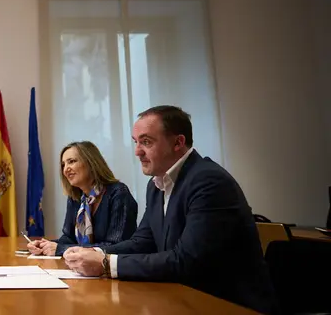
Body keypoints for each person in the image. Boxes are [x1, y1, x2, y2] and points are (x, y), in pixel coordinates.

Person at [63, 106, 276, 314]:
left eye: (146, 142)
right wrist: (95, 253)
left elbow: (187, 261)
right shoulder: (156, 185)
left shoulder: (208, 181)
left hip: (228, 305)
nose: (137, 152)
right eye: (136, 142)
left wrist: (106, 264)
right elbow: (143, 242)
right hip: (183, 297)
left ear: (178, 142)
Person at [27, 141, 137, 257]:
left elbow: (116, 246)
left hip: (115, 265)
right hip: (83, 265)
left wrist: (61, 249)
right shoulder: (75, 197)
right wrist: (45, 245)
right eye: (63, 165)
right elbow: (69, 238)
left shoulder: (118, 193)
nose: (66, 169)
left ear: (91, 162)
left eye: (72, 161)